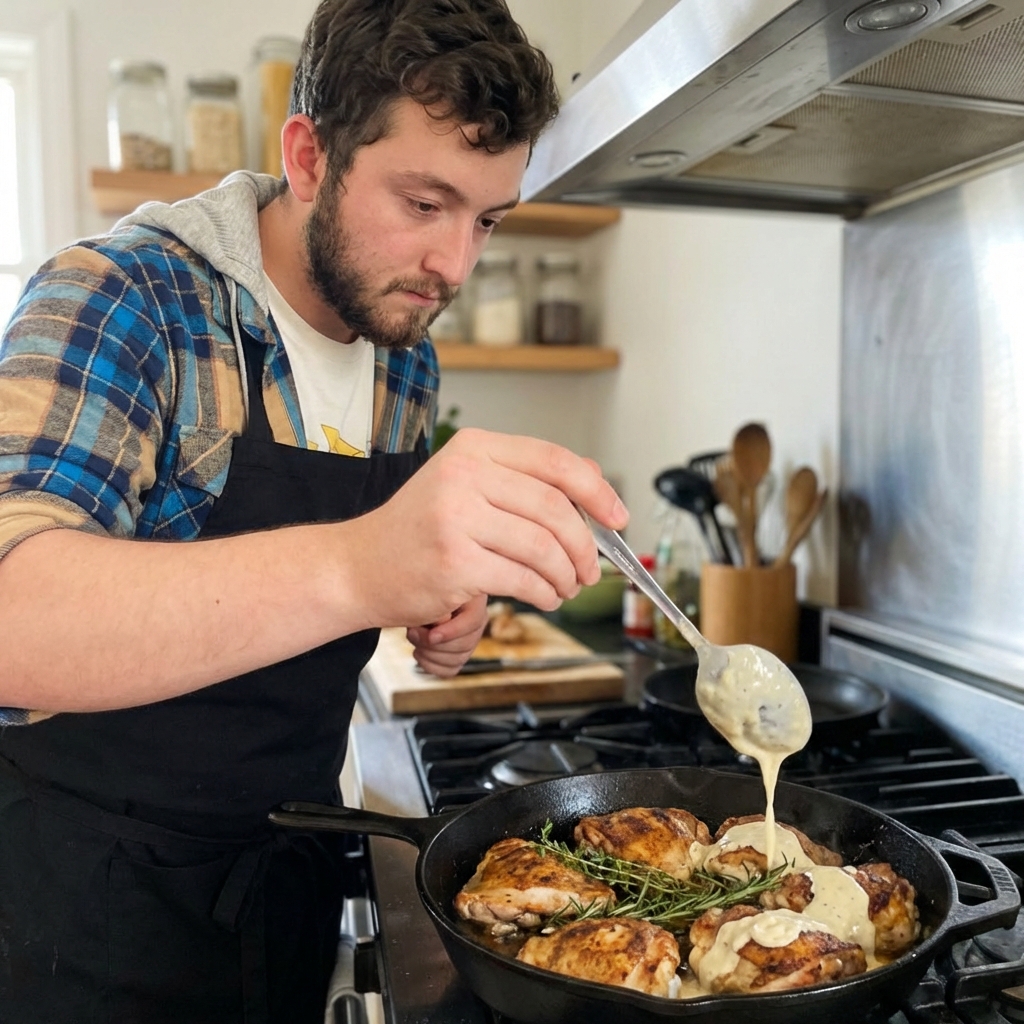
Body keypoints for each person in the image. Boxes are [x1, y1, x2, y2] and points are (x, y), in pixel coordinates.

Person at [0, 1, 628, 1021]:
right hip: (84, 906)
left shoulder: (402, 351)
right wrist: (364, 565)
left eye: (487, 218)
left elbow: (349, 573)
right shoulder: (122, 297)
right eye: (424, 203)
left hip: (285, 871)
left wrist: (437, 600)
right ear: (308, 156)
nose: (454, 265)